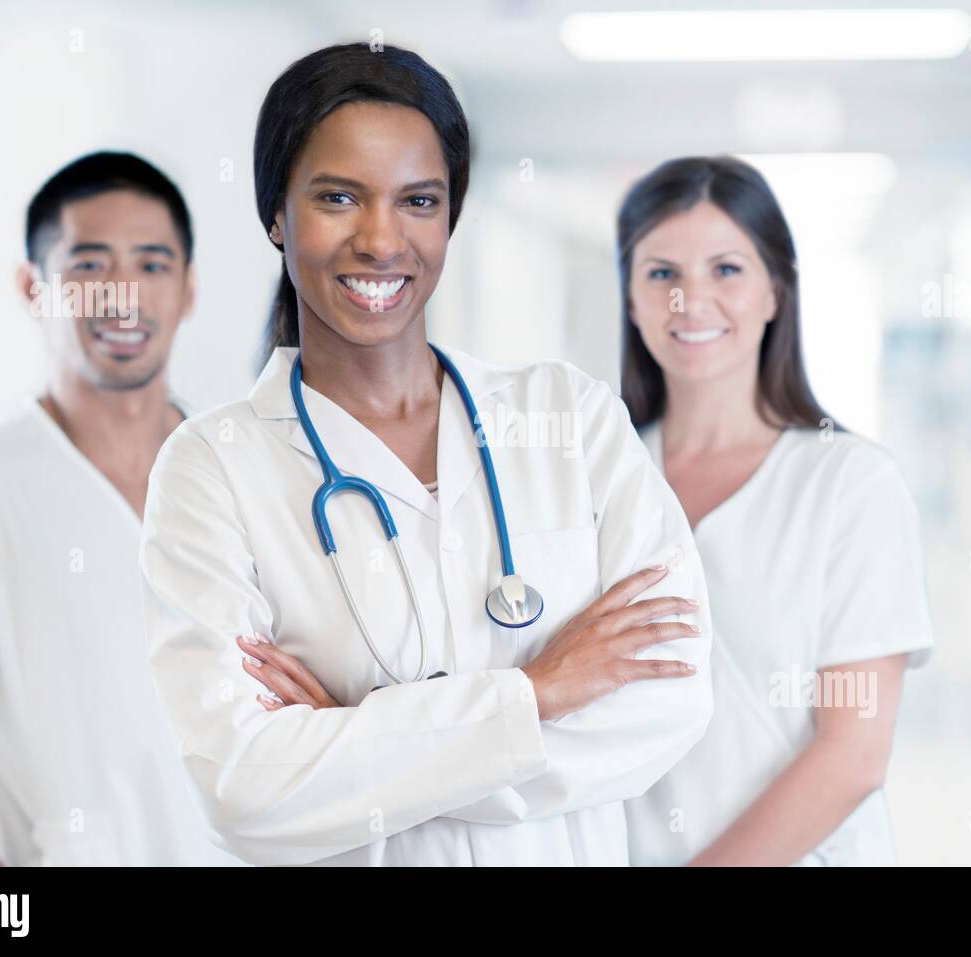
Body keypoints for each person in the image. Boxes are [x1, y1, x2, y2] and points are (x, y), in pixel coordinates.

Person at [138, 43, 713, 867]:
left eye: (418, 200)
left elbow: (671, 695)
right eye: (338, 197)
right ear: (276, 215)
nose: (381, 239)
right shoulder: (211, 467)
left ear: (450, 216)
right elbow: (241, 788)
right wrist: (538, 692)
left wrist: (354, 737)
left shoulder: (571, 418)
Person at [0, 152, 241, 866]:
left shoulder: (237, 473)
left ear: (189, 290)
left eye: (152, 264)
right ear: (31, 286)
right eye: (88, 266)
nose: (122, 297)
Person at [618, 156, 934, 866]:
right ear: (632, 299)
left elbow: (853, 755)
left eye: (726, 269)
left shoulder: (851, 485)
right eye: (662, 273)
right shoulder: (596, 480)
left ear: (774, 292)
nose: (690, 301)